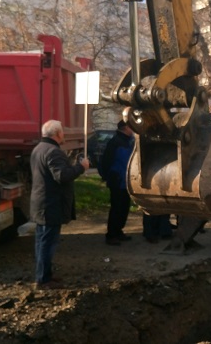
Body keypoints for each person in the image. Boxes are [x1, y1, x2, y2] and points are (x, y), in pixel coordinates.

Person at [30, 120, 89, 289]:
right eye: (62, 132)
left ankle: (44, 274)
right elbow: (62, 176)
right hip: (50, 204)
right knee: (47, 243)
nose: (63, 135)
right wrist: (81, 167)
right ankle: (43, 280)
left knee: (42, 241)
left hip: (42, 203)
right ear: (57, 134)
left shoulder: (38, 149)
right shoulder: (53, 152)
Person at [99, 120, 134, 246]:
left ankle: (118, 231)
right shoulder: (115, 143)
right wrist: (107, 176)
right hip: (117, 180)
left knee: (124, 207)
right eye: (131, 127)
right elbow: (106, 161)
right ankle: (111, 234)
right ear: (125, 128)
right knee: (117, 208)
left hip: (125, 181)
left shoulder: (126, 142)